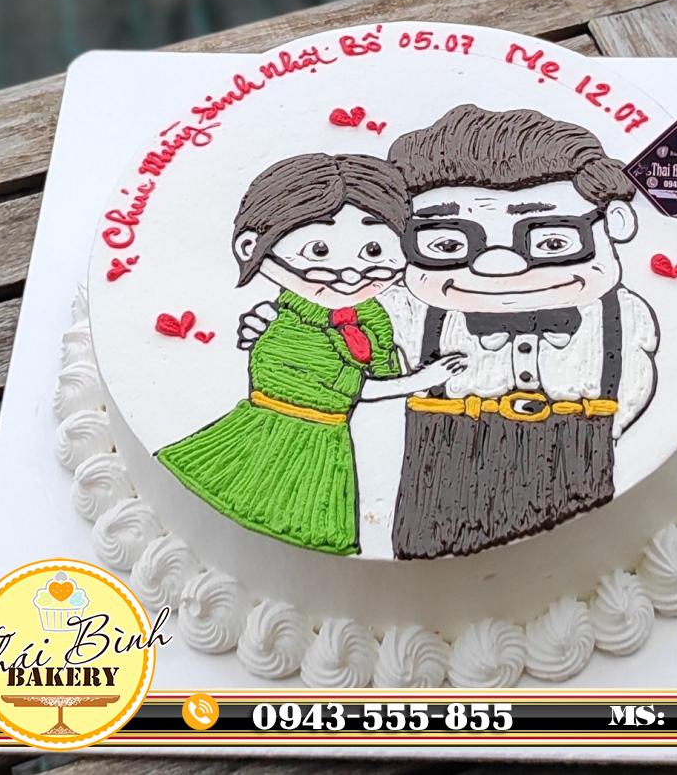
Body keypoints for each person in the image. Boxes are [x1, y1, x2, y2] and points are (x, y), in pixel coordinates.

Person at [382, 104, 659, 559]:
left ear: (615, 222)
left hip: (582, 506)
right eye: (448, 244)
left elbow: (634, 387)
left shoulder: (622, 318)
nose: (498, 267)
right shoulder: (407, 312)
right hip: (440, 506)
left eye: (551, 241)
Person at [156, 153, 465, 556]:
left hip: (329, 439)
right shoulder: (292, 328)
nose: (350, 273)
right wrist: (424, 379)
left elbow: (384, 358)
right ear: (252, 247)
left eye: (374, 249)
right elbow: (360, 388)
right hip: (277, 441)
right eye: (319, 250)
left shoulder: (371, 315)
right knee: (277, 520)